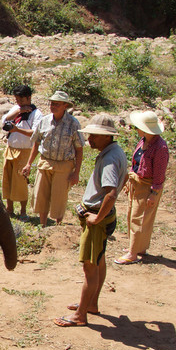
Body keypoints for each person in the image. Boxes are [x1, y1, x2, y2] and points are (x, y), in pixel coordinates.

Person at [54, 114, 127, 327]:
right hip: (101, 216)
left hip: (97, 218)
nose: (90, 139)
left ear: (106, 137)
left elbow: (111, 193)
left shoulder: (109, 159)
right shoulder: (114, 152)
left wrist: (97, 218)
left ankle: (80, 315)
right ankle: (91, 304)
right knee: (99, 260)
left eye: (94, 135)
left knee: (90, 267)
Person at [21, 90, 85, 227]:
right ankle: (43, 225)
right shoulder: (44, 121)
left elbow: (79, 149)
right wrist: (28, 164)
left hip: (64, 164)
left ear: (65, 106)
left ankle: (58, 225)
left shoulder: (73, 124)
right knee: (41, 195)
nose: (53, 106)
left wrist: (76, 172)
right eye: (51, 103)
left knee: (59, 197)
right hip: (45, 161)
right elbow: (37, 142)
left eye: (56, 104)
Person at [115, 110, 169, 264]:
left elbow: (159, 174)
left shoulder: (160, 148)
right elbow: (136, 163)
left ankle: (133, 253)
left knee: (139, 218)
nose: (136, 129)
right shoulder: (143, 141)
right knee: (133, 214)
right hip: (137, 183)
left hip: (147, 186)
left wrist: (154, 193)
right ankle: (138, 247)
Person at [0, 84, 42, 217]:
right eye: (17, 100)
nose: (19, 103)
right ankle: (9, 208)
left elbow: (35, 133)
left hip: (24, 151)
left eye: (22, 100)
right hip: (10, 149)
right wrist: (18, 112)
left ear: (29, 98)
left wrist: (17, 130)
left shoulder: (37, 114)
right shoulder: (16, 109)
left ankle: (23, 211)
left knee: (21, 181)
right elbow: (4, 121)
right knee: (7, 179)